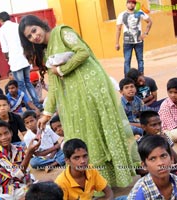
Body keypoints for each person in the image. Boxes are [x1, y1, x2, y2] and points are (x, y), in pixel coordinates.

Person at [19, 14, 137, 187]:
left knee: (103, 130)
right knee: (88, 136)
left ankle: (118, 176)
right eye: (29, 37)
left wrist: (62, 69)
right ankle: (99, 182)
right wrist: (46, 114)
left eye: (34, 31)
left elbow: (83, 52)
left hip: (93, 88)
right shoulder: (46, 53)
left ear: (40, 25)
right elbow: (54, 84)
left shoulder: (62, 32)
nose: (34, 37)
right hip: (75, 98)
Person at [127, 135, 177, 199]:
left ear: (171, 159)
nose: (160, 163)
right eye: (152, 159)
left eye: (163, 156)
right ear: (144, 166)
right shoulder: (140, 194)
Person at [0, 11, 42, 110]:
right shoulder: (17, 26)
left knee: (20, 85)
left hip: (15, 61)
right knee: (28, 82)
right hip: (25, 58)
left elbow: (5, 48)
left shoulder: (1, 30)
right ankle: (37, 103)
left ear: (0, 20)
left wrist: (7, 58)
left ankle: (29, 106)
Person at [0, 120, 40, 199]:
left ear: (11, 133)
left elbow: (26, 170)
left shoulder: (19, 149)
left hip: (18, 184)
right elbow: (16, 175)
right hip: (2, 190)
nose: (4, 137)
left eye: (6, 133)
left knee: (42, 187)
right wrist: (29, 153)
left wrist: (29, 182)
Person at [115, 0, 152, 76]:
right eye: (129, 3)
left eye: (133, 3)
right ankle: (128, 78)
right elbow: (118, 29)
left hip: (139, 41)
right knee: (127, 61)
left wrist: (145, 33)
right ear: (126, 4)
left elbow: (150, 22)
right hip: (127, 42)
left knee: (140, 60)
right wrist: (116, 43)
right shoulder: (122, 15)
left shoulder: (139, 12)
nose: (131, 5)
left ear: (135, 5)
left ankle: (141, 76)